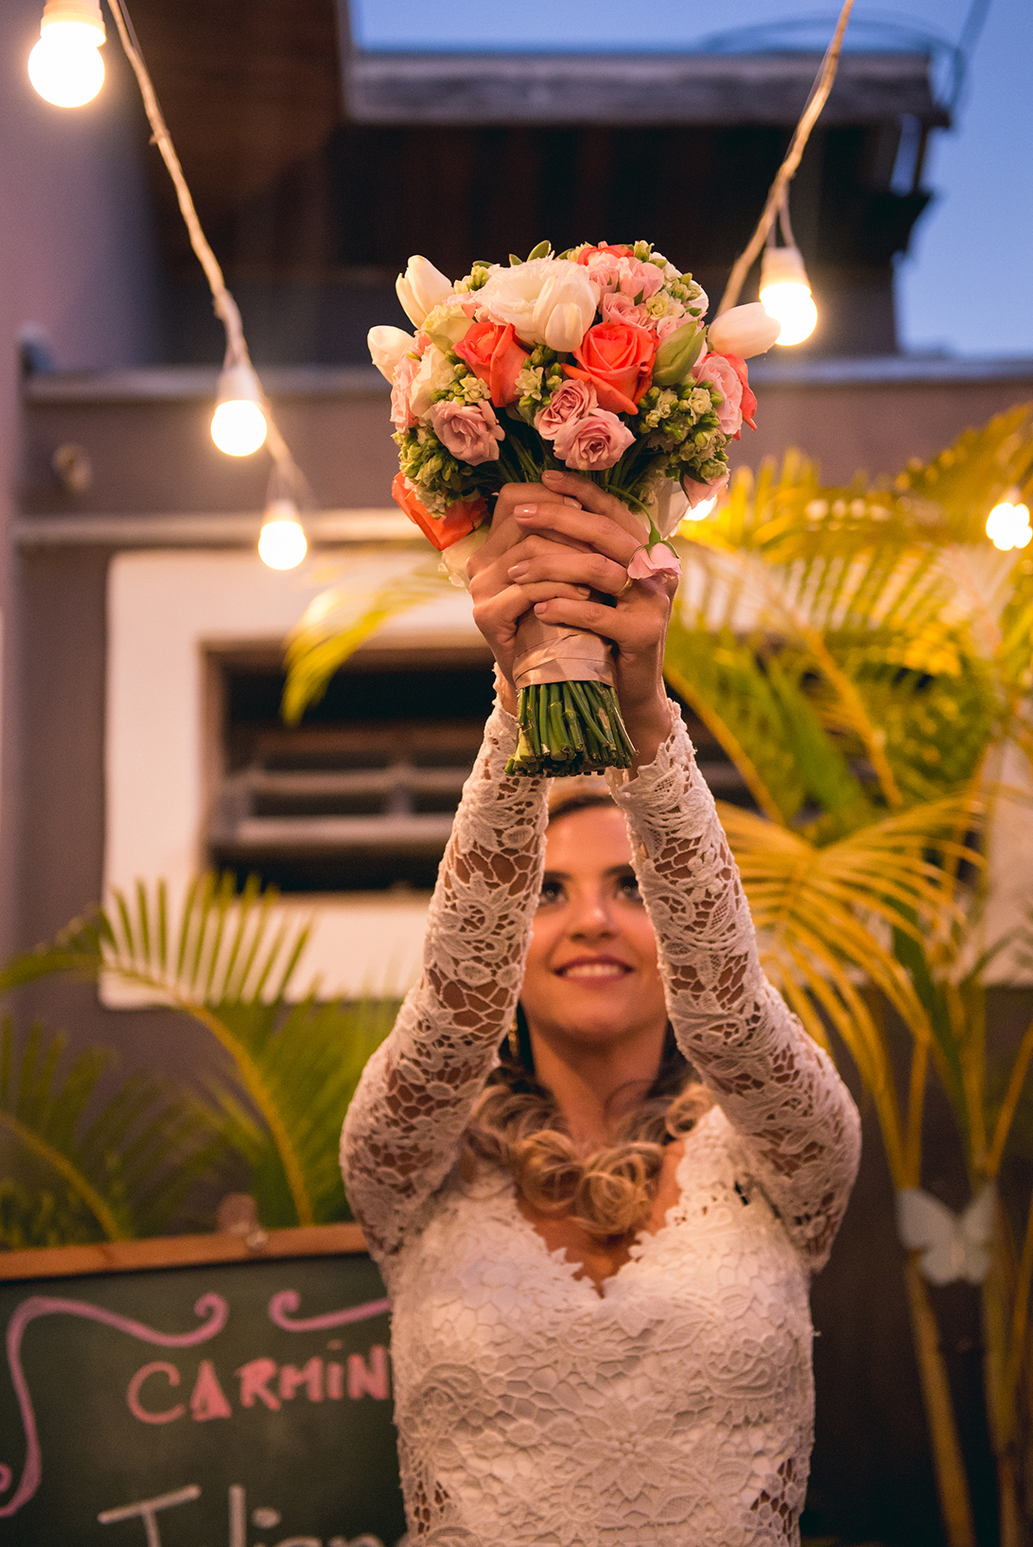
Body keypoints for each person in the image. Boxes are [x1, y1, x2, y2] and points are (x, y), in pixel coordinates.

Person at [341, 469, 861, 1546]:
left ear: (672, 907)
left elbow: (726, 1013)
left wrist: (645, 719)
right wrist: (523, 690)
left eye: (631, 887)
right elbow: (449, 1022)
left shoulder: (783, 1152)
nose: (590, 922)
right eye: (545, 891)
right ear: (505, 943)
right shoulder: (415, 1166)